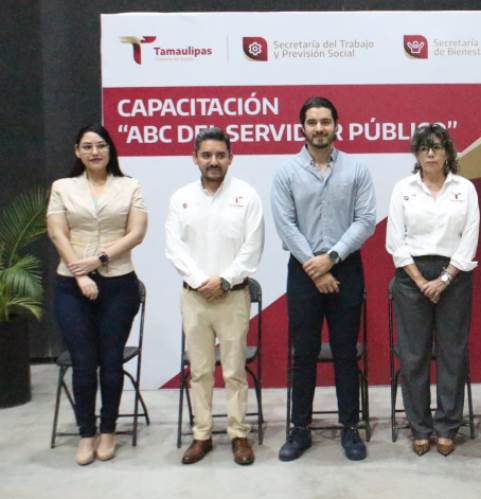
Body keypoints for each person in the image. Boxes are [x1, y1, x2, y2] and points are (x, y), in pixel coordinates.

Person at [272, 96, 376, 462]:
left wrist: (330, 258)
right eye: (312, 122)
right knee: (304, 353)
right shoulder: (286, 172)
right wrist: (314, 266)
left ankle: (350, 428)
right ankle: (299, 429)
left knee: (346, 352)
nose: (319, 128)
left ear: (336, 126)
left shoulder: (357, 169)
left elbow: (366, 220)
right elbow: (285, 224)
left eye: (325, 122)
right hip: (303, 271)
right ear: (302, 128)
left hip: (345, 267)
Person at [47, 124, 148, 465]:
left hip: (118, 283)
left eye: (101, 145)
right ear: (77, 151)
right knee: (83, 363)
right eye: (87, 146)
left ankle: (108, 431)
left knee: (111, 361)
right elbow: (58, 233)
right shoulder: (63, 187)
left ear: (110, 150)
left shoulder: (129, 185)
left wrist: (100, 259)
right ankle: (86, 433)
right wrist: (81, 273)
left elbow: (136, 232)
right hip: (71, 285)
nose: (95, 152)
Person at [165, 127, 264, 465]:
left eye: (220, 155)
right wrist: (199, 281)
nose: (213, 161)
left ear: (231, 158)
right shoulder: (180, 198)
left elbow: (252, 248)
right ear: (195, 158)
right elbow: (174, 247)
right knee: (200, 371)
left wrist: (223, 280)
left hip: (233, 296)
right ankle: (202, 434)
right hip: (194, 299)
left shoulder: (247, 196)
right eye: (206, 155)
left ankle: (239, 434)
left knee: (234, 371)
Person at [385, 124, 479, 457]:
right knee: (413, 356)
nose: (430, 153)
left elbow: (470, 237)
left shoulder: (464, 189)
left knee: (453, 354)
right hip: (412, 278)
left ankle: (447, 426)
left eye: (436, 147)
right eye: (423, 147)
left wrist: (445, 279)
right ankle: (420, 427)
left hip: (454, 277)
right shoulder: (403, 189)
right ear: (416, 153)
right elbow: (395, 241)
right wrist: (421, 280)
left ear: (447, 152)